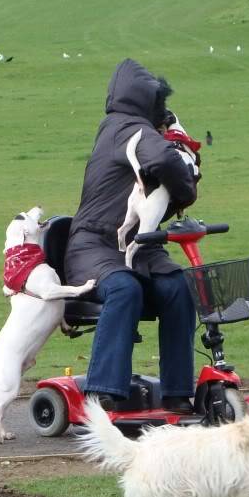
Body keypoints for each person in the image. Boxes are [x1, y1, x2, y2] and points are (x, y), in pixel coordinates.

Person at [64, 58, 199, 413]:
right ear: (146, 102)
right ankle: (103, 390)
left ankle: (177, 392)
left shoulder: (136, 130)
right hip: (92, 246)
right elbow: (166, 162)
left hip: (136, 248)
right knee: (125, 287)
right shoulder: (121, 128)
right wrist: (187, 190)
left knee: (178, 287)